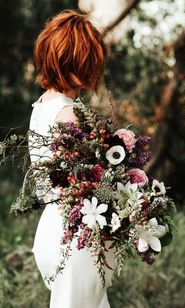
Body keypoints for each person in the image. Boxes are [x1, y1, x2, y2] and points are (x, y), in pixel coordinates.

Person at [29, 9, 116, 308]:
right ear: (80, 60)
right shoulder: (71, 114)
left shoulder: (41, 106)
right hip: (76, 238)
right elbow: (92, 183)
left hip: (52, 228)